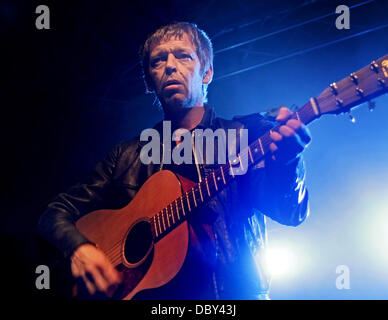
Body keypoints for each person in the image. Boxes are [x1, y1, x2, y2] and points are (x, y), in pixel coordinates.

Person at [38, 22, 311, 300]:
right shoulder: (127, 156)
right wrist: (78, 248)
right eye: (158, 60)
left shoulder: (242, 138)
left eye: (183, 55)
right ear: (149, 81)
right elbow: (55, 213)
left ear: (207, 73)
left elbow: (290, 213)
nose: (170, 65)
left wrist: (289, 162)